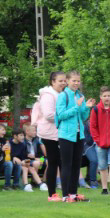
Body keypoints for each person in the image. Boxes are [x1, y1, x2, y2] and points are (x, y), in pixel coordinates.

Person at [56, 70, 96, 202]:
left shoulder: (80, 95)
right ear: (67, 81)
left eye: (78, 81)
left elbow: (83, 117)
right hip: (66, 135)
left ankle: (73, 194)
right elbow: (61, 115)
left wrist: (87, 107)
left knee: (76, 165)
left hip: (79, 135)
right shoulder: (63, 96)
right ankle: (65, 196)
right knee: (66, 165)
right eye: (74, 80)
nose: (76, 83)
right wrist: (76, 107)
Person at [37, 71, 67, 201]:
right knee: (54, 163)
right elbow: (49, 115)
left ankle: (66, 193)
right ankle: (52, 194)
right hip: (50, 134)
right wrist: (66, 116)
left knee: (62, 163)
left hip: (60, 133)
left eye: (64, 80)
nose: (63, 83)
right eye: (60, 81)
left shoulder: (62, 94)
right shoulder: (48, 95)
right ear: (53, 82)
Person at [0, 123, 21, 191]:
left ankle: (15, 185)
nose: (4, 132)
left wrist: (13, 157)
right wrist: (1, 150)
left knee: (17, 164)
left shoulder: (3, 140)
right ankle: (7, 186)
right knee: (8, 163)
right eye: (3, 130)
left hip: (3, 163)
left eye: (5, 130)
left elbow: (8, 153)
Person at [22, 123, 48, 192]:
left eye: (35, 131)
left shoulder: (36, 140)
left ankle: (44, 180)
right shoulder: (23, 141)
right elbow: (23, 155)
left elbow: (42, 154)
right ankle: (34, 181)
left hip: (37, 159)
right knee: (36, 163)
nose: (35, 132)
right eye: (33, 131)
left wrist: (41, 159)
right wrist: (34, 158)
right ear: (27, 131)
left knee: (50, 162)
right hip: (26, 160)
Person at [79, 120, 99, 189]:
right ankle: (93, 181)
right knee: (94, 160)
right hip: (88, 146)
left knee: (107, 158)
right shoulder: (87, 125)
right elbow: (88, 141)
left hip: (98, 145)